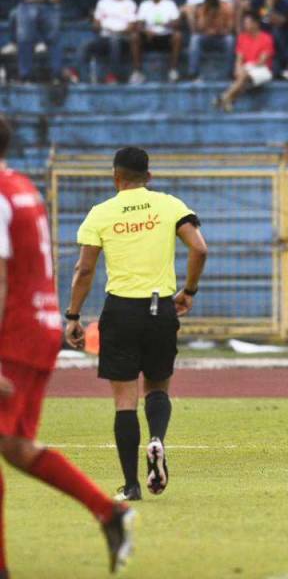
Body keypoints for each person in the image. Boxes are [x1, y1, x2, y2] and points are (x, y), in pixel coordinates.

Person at [0, 118, 136, 575]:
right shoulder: (22, 186)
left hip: (13, 333)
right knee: (16, 446)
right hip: (39, 327)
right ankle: (109, 511)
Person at [65, 146, 208, 502]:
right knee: (158, 387)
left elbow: (85, 270)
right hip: (161, 309)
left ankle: (130, 485)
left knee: (124, 401)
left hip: (121, 311)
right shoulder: (170, 205)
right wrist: (189, 290)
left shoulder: (101, 213)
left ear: (116, 177)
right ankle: (156, 438)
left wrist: (73, 315)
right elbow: (200, 248)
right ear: (149, 177)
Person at [77, 0, 141, 85]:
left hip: (123, 38)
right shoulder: (103, 2)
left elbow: (132, 26)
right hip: (104, 37)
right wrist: (103, 27)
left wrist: (116, 31)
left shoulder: (130, 4)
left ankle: (112, 75)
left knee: (114, 40)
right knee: (85, 44)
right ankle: (78, 74)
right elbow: (96, 24)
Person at [217, 12, 275, 111]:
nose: (245, 25)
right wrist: (237, 68)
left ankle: (225, 97)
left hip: (262, 69)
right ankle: (228, 101)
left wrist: (245, 69)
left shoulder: (266, 38)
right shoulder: (242, 37)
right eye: (244, 23)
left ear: (256, 24)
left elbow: (262, 61)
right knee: (243, 76)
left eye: (248, 23)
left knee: (244, 75)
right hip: (246, 68)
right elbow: (239, 58)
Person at [134, 0, 183, 83]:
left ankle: (173, 71)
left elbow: (177, 23)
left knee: (178, 36)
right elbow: (138, 25)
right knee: (135, 37)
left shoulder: (170, 4)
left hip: (165, 36)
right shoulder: (144, 4)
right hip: (149, 37)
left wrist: (166, 24)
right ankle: (137, 72)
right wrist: (145, 31)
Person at [187, 0, 236, 80]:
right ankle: (193, 72)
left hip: (220, 38)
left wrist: (219, 31)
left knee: (230, 40)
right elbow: (199, 29)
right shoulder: (202, 10)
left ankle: (230, 72)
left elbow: (230, 30)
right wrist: (208, 18)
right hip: (206, 38)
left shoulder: (225, 9)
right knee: (195, 39)